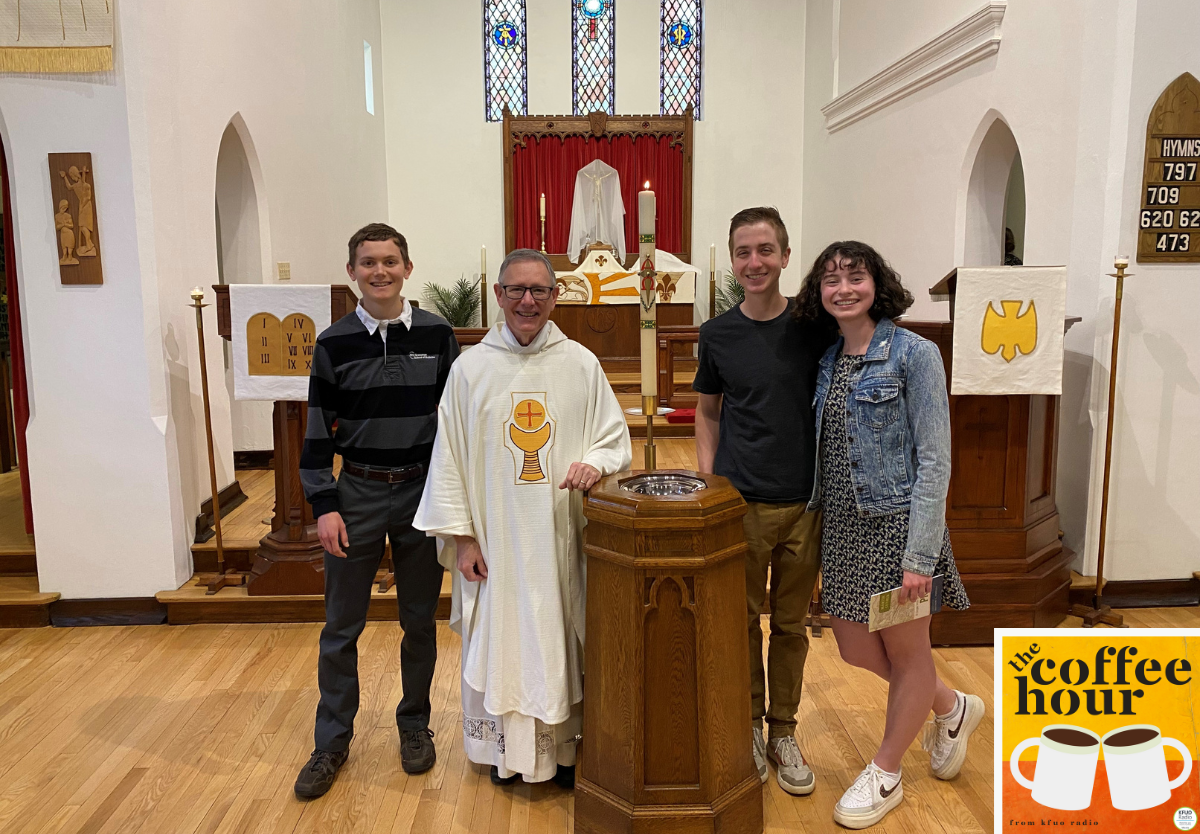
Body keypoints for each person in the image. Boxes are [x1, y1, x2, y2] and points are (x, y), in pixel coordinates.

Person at [414, 248, 631, 787]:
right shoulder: (470, 370)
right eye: (516, 290)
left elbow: (613, 438)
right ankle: (505, 754)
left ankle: (561, 751)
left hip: (559, 538)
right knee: (503, 642)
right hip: (497, 545)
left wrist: (593, 464)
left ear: (556, 297)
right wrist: (463, 540)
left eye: (539, 291)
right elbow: (449, 459)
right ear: (499, 296)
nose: (527, 301)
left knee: (560, 638)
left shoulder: (580, 363)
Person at [794, 241, 983, 829]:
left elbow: (935, 461)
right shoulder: (828, 360)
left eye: (855, 276)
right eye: (831, 280)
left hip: (899, 528)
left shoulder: (914, 354)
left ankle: (886, 770)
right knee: (854, 646)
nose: (843, 288)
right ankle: (951, 707)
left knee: (908, 651)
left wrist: (920, 555)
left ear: (878, 283)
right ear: (818, 293)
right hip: (846, 530)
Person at [293, 223, 459, 799]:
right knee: (341, 627)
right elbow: (315, 435)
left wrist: (454, 502)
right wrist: (324, 504)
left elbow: (455, 424)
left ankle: (414, 724)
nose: (380, 271)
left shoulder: (437, 334)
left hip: (420, 493)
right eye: (368, 263)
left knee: (419, 621)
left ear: (408, 268)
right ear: (352, 273)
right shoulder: (333, 343)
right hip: (357, 494)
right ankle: (332, 740)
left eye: (390, 261)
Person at [693, 207, 829, 797]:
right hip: (741, 502)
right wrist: (710, 485)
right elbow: (707, 412)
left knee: (792, 625)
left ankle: (784, 731)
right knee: (742, 621)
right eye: (744, 252)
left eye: (766, 250)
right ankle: (748, 723)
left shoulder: (814, 328)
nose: (755, 262)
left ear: (786, 255)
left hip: (804, 502)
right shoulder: (717, 334)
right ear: (731, 259)